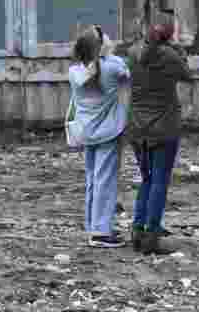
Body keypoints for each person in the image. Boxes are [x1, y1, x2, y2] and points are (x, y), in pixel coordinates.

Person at [127, 10, 192, 255]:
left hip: (137, 126)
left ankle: (138, 229)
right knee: (159, 181)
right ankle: (152, 235)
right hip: (163, 127)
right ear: (169, 32)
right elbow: (188, 75)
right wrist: (178, 49)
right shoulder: (170, 56)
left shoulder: (133, 52)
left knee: (146, 178)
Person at [69, 25, 131, 248]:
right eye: (106, 38)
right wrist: (109, 54)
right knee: (105, 181)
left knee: (92, 180)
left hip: (87, 132)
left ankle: (93, 225)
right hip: (108, 132)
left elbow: (91, 70)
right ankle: (101, 233)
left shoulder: (75, 71)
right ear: (101, 46)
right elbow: (126, 75)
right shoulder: (113, 67)